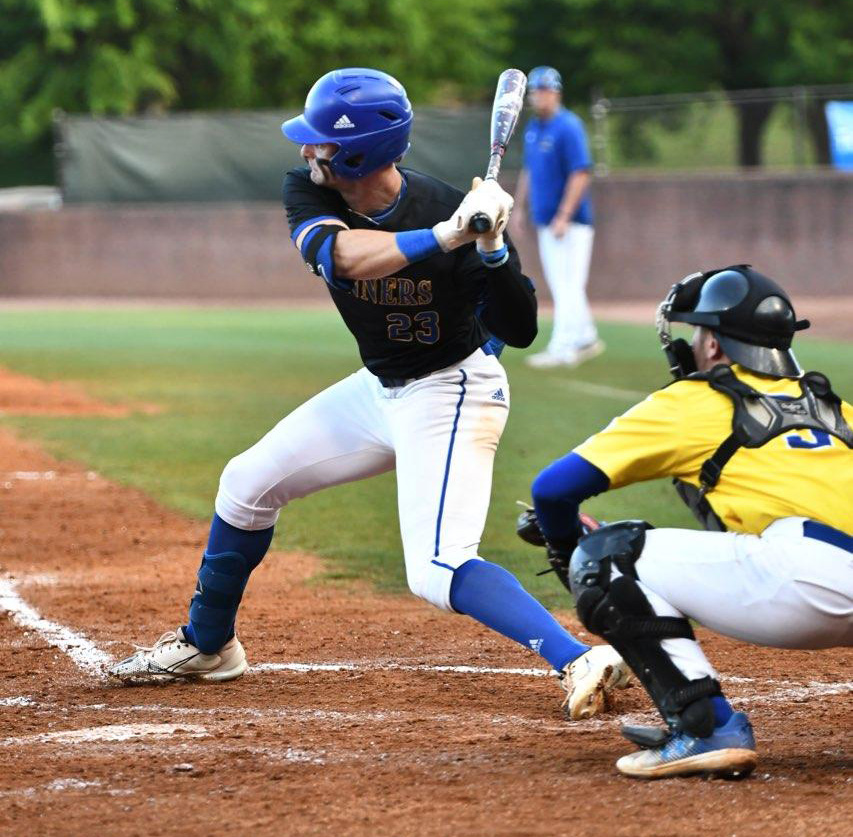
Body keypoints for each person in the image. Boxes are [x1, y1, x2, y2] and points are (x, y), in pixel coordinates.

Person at [110, 67, 631, 719]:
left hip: (452, 391)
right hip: (380, 388)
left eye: (322, 142)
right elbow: (346, 258)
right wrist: (448, 236)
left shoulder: (455, 208)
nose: (308, 152)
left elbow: (519, 329)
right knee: (245, 484)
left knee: (436, 568)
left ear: (358, 153)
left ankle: (578, 658)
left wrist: (493, 248)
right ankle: (210, 646)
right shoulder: (312, 191)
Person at [524, 264, 853, 778]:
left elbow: (552, 489)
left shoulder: (699, 399)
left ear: (716, 346)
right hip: (824, 565)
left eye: (699, 332)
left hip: (807, 585)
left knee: (606, 556)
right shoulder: (835, 409)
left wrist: (570, 552)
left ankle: (705, 728)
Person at [510, 66, 603, 369]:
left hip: (571, 223)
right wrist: (520, 207)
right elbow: (529, 171)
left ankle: (563, 347)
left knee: (568, 284)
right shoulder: (534, 129)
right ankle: (586, 336)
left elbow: (580, 172)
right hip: (545, 219)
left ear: (557, 92)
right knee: (562, 282)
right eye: (536, 90)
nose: (540, 96)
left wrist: (564, 214)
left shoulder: (568, 126)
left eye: (546, 90)